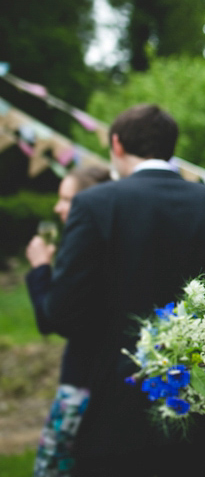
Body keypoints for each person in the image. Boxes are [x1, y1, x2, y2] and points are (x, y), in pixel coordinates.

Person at [36, 104, 205, 477]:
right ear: (170, 147)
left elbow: (63, 313)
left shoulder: (94, 205)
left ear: (117, 144)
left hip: (112, 410)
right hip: (202, 409)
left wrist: (42, 274)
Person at [25, 165, 111, 477]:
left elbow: (51, 319)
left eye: (66, 199)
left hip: (81, 384)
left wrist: (39, 268)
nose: (57, 207)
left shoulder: (82, 257)